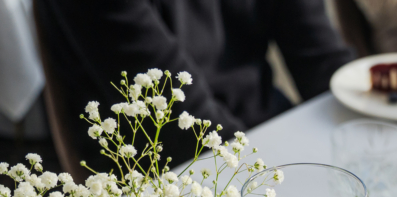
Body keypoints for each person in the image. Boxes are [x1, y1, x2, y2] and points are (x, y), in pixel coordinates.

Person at [33, 0, 353, 172]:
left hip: (266, 138)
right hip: (163, 177)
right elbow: (180, 122)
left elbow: (321, 59)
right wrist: (289, 174)